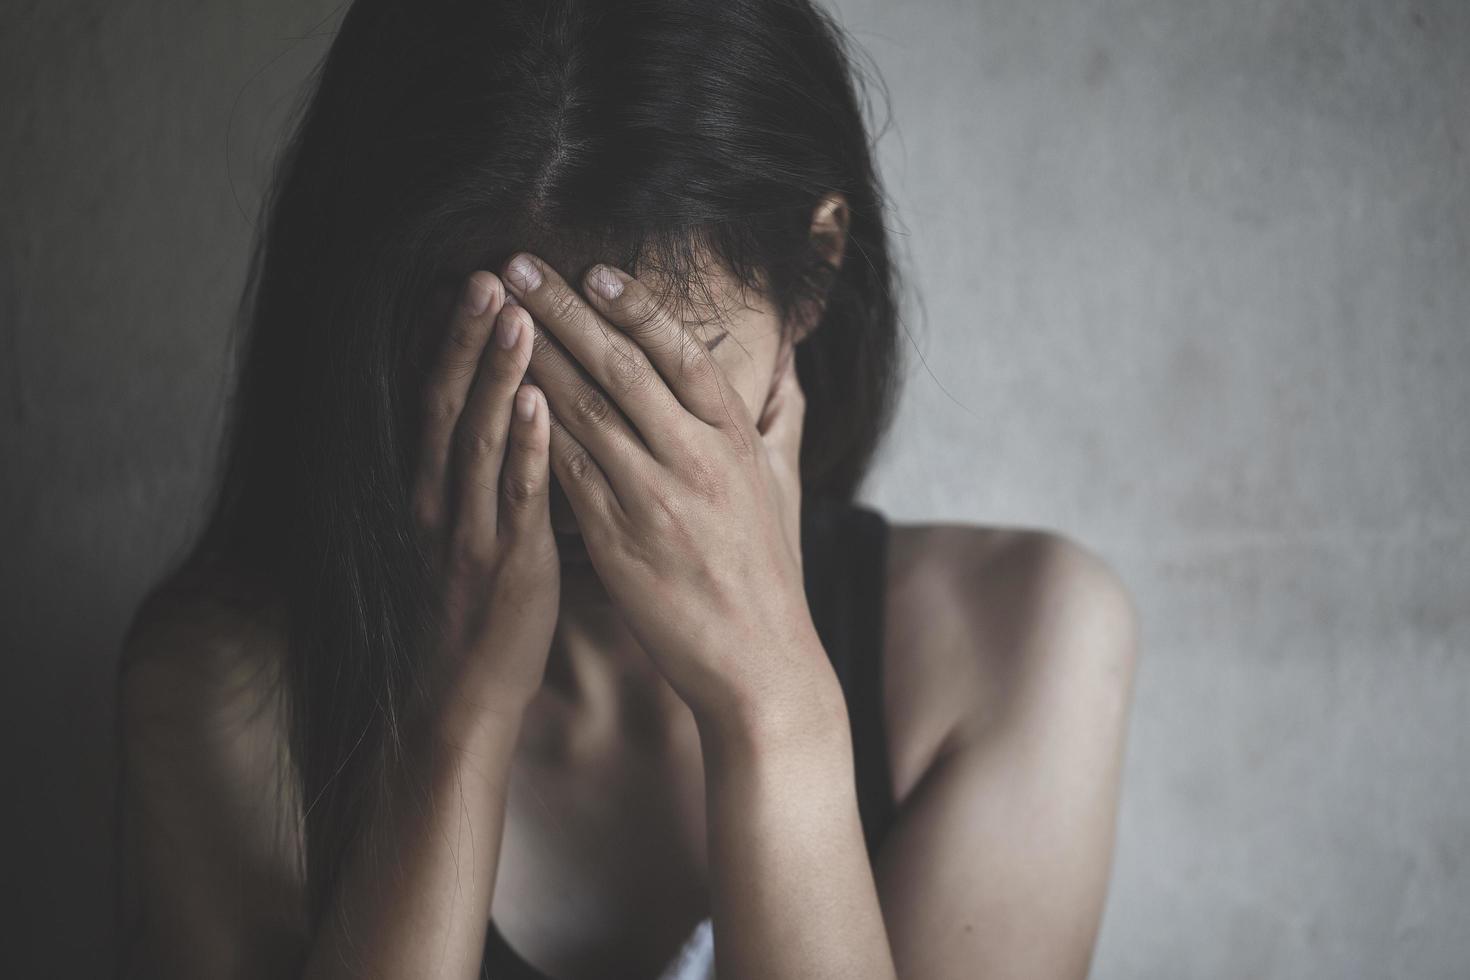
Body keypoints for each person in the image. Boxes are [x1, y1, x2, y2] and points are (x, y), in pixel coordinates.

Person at [114, 1, 1140, 978]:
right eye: (500, 368)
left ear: (814, 274)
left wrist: (776, 708)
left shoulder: (1018, 640)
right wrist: (449, 727)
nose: (576, 457)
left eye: (647, 378)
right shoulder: (230, 701)